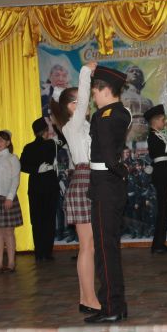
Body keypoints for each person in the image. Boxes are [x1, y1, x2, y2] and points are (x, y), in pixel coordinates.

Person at [84, 65, 132, 324]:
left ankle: (112, 306)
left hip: (106, 184)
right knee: (107, 246)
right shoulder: (117, 112)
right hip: (107, 183)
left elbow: (107, 152)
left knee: (105, 248)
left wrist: (119, 170)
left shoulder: (107, 115)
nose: (93, 97)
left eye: (94, 92)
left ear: (104, 90)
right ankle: (115, 304)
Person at [57, 62, 102, 315]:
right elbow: (85, 100)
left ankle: (87, 297)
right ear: (70, 106)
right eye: (77, 101)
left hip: (91, 177)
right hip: (84, 179)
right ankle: (88, 298)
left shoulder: (84, 125)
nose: (83, 104)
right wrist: (85, 73)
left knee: (90, 245)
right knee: (87, 245)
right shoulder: (72, 125)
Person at [20, 117, 60, 262]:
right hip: (49, 187)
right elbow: (62, 139)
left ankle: (39, 253)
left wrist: (36, 169)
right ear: (45, 131)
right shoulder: (51, 144)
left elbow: (22, 165)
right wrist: (53, 124)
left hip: (35, 187)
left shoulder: (28, 147)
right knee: (49, 220)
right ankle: (47, 253)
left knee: (37, 221)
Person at [0, 130, 23, 273]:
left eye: (1, 140)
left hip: (7, 197)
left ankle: (11, 263)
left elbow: (15, 179)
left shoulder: (13, 158)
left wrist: (10, 197)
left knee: (8, 231)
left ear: (8, 142)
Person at [145, 104, 167, 254]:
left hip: (165, 171)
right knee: (164, 208)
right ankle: (158, 244)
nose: (164, 122)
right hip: (161, 172)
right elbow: (158, 153)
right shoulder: (153, 136)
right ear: (155, 120)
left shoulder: (159, 134)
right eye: (162, 120)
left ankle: (160, 243)